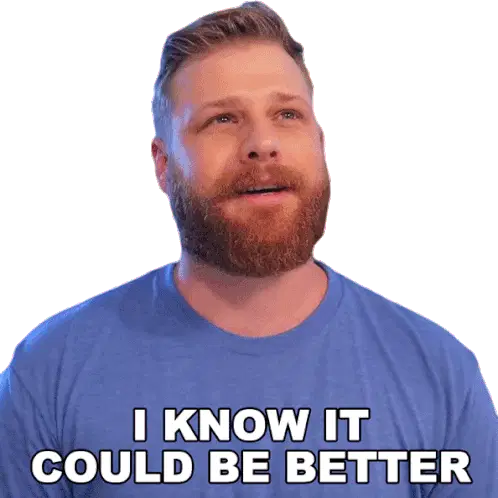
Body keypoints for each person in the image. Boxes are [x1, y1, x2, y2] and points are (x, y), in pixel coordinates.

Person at [0, 1, 496, 496]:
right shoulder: (52, 371)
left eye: (287, 114)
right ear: (163, 166)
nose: (262, 142)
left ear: (320, 142)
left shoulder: (439, 375)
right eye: (222, 119)